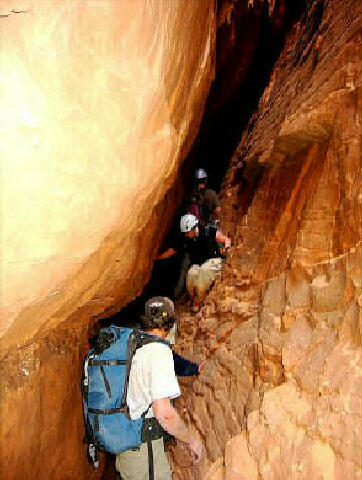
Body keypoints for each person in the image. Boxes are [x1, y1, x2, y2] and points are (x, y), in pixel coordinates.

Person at [115, 296, 203, 480]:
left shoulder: (134, 344)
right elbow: (164, 413)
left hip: (124, 440)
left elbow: (174, 361)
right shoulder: (158, 352)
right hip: (143, 449)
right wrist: (190, 439)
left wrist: (194, 368)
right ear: (170, 322)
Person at [158, 214, 230, 303]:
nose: (187, 235)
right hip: (200, 264)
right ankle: (193, 298)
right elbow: (172, 251)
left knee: (204, 272)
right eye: (185, 233)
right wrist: (156, 258)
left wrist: (227, 248)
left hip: (214, 261)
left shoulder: (208, 230)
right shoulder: (187, 239)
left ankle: (199, 301)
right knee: (191, 273)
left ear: (194, 228)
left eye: (188, 232)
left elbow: (225, 239)